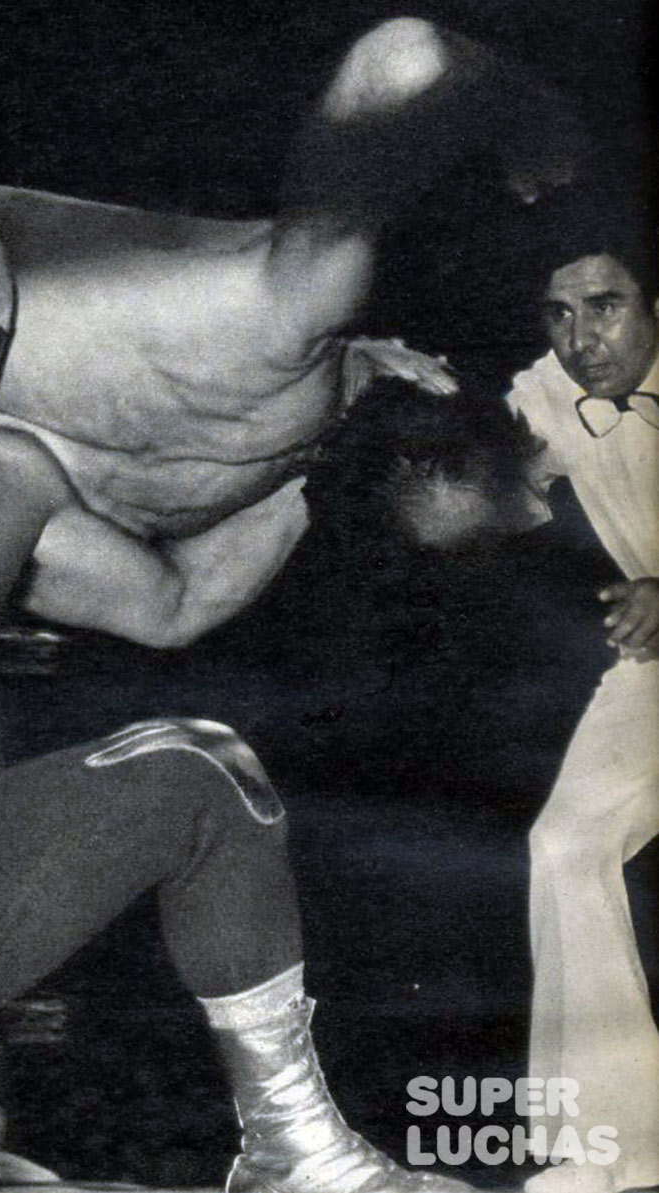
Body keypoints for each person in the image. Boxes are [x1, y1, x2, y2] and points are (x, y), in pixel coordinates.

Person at [0, 197, 481, 1193]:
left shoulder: (6, 481)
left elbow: (176, 600)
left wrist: (332, 436)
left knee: (203, 777)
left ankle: (295, 1152)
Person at [0, 16, 580, 551]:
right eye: (445, 467)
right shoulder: (289, 329)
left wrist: (529, 120)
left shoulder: (250, 479)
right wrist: (527, 115)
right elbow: (402, 54)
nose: (414, 475)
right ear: (434, 371)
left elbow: (172, 614)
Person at [499, 193, 659, 1193]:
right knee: (563, 847)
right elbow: (490, 477)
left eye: (603, 306)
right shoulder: (546, 389)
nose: (580, 336)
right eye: (558, 314)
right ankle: (609, 1150)